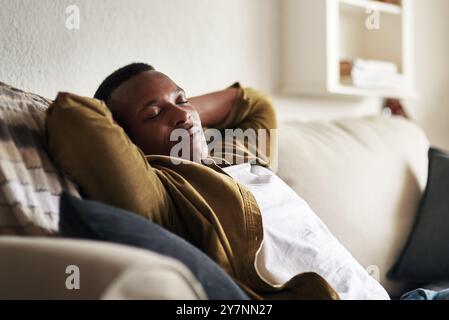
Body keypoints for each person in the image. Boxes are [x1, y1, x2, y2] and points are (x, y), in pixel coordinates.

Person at [47, 62, 387, 299]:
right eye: (153, 114)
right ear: (126, 141)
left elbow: (256, 103)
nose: (182, 113)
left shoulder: (236, 151)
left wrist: (179, 113)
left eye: (182, 99)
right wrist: (170, 120)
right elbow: (73, 117)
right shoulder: (163, 194)